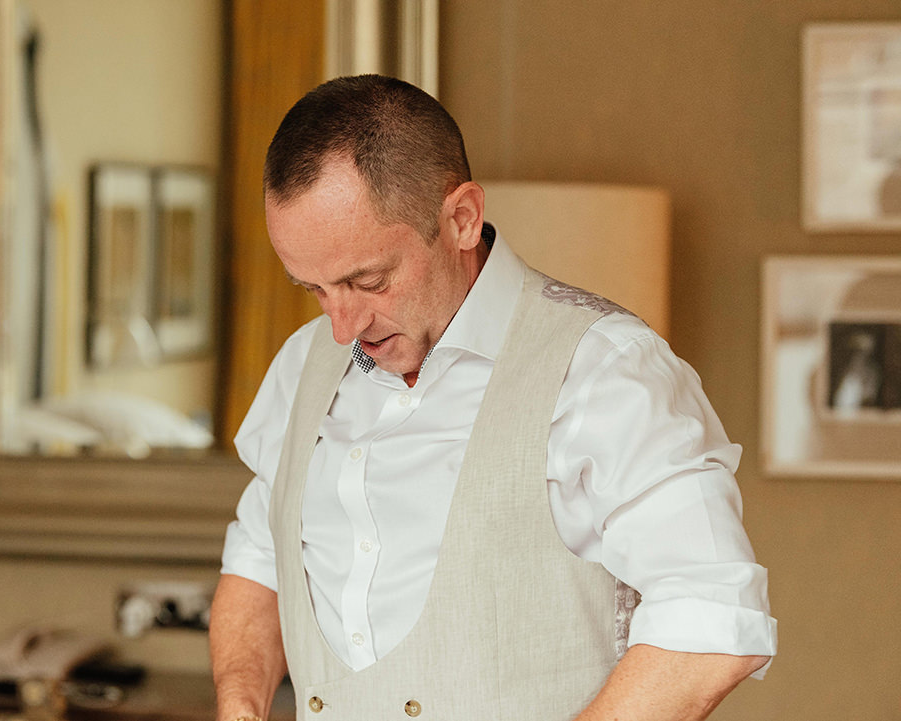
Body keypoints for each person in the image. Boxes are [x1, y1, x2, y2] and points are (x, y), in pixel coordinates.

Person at [209, 74, 777, 721]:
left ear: (461, 218)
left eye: (367, 279)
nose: (343, 327)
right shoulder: (302, 367)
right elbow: (261, 559)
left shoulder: (603, 368)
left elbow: (711, 616)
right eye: (312, 288)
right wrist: (240, 705)